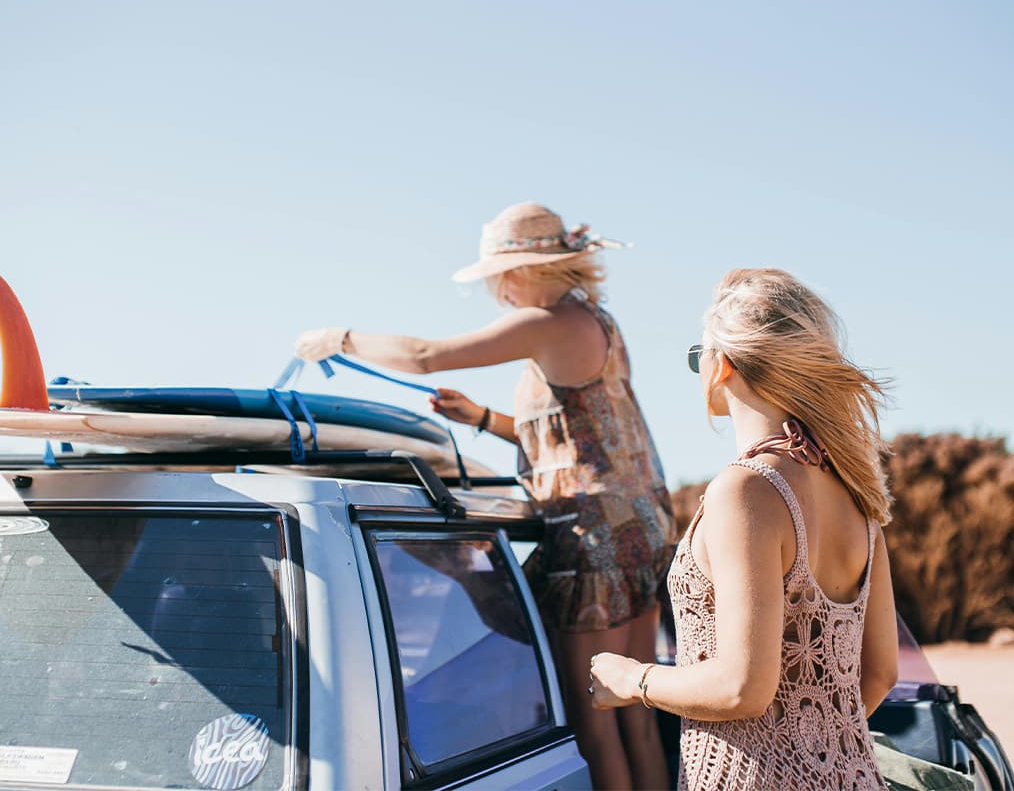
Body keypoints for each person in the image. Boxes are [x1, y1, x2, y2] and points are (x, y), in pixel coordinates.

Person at [295, 202, 675, 790]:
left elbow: (427, 357)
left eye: (499, 276)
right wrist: (479, 418)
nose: (497, 290)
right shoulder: (595, 322)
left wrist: (338, 339)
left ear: (519, 270)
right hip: (642, 523)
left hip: (595, 536)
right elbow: (579, 434)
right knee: (635, 718)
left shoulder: (542, 323)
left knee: (593, 720)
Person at [589, 268, 900, 790]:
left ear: (722, 365)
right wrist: (811, 750)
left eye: (699, 355)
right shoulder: (857, 496)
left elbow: (741, 688)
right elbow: (880, 675)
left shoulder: (746, 491)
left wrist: (631, 679)